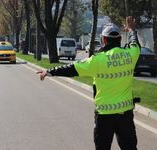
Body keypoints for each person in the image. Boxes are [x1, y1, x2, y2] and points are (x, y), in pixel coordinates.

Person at [37, 16, 140, 150]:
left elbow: (71, 69)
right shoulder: (131, 55)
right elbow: (135, 43)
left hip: (104, 116)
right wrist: (132, 29)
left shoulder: (97, 60)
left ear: (103, 40)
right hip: (125, 115)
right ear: (120, 39)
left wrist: (49, 72)